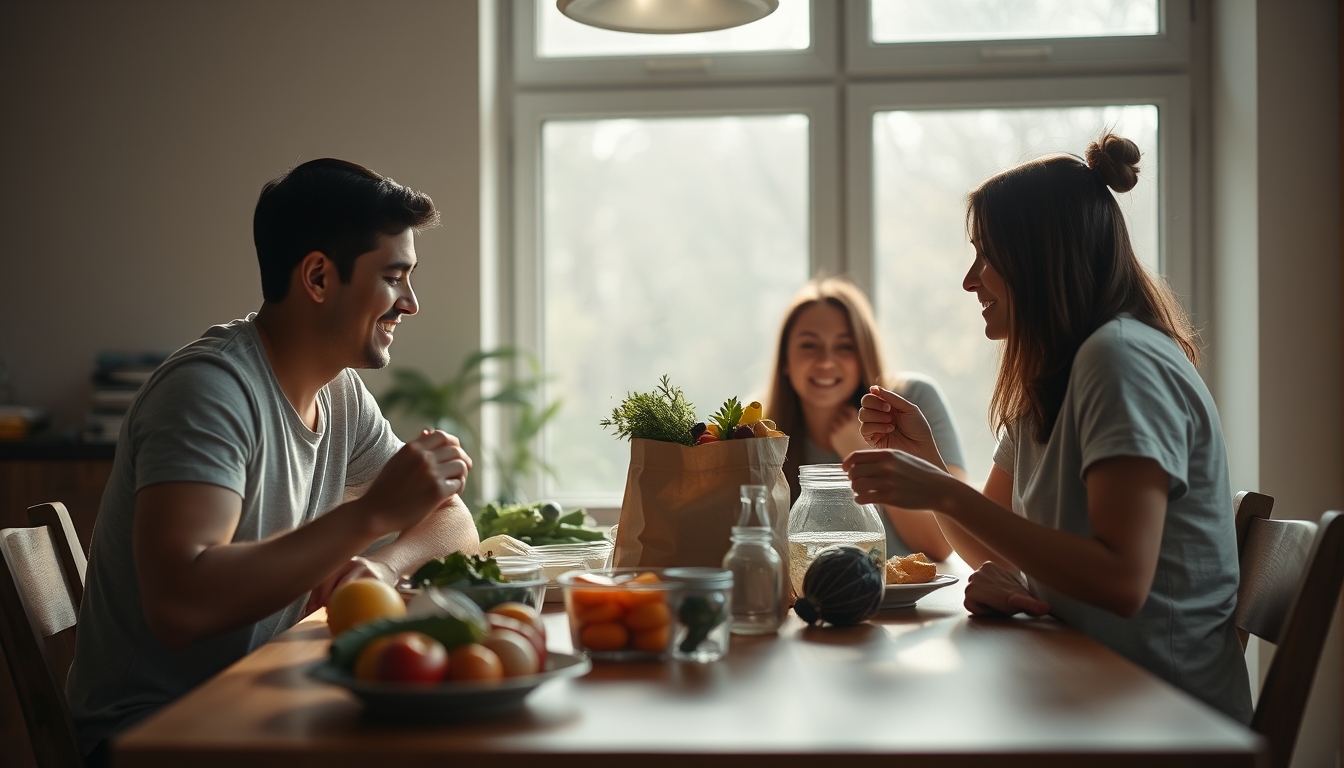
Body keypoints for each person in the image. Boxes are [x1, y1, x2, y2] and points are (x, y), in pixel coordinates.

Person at [66, 159, 481, 760]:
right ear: (317, 276)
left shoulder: (338, 395)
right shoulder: (209, 391)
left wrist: (383, 567)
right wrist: (367, 518)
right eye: (394, 277)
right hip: (154, 738)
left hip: (258, 705)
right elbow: (180, 604)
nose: (410, 304)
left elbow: (452, 520)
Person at [843, 134, 1252, 722]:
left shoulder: (1121, 360)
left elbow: (1120, 580)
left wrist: (941, 492)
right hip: (1098, 687)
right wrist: (929, 463)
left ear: (1039, 258)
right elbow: (986, 544)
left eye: (986, 255)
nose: (969, 280)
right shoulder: (1054, 379)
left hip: (1164, 719)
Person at [765, 277, 964, 561]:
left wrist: (863, 454)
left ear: (864, 353)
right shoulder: (762, 436)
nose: (825, 361)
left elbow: (941, 544)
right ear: (785, 359)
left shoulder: (915, 400)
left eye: (844, 346)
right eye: (809, 345)